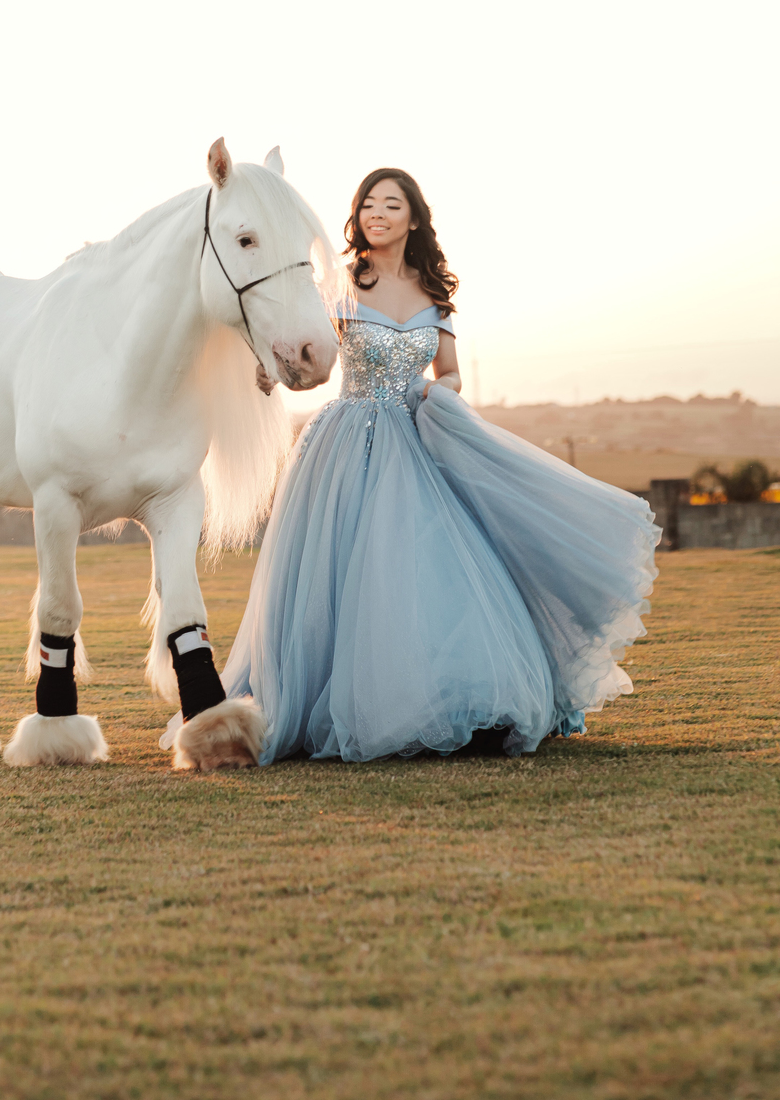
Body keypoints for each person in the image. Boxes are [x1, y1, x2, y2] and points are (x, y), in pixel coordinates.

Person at [218, 167, 660, 762]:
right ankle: (329, 699)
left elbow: (448, 370)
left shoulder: (435, 295)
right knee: (344, 575)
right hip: (346, 442)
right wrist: (273, 371)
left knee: (423, 570)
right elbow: (308, 357)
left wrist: (440, 393)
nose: (376, 213)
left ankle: (442, 699)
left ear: (414, 218)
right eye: (367, 204)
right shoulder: (343, 285)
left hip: (416, 439)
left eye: (390, 204)